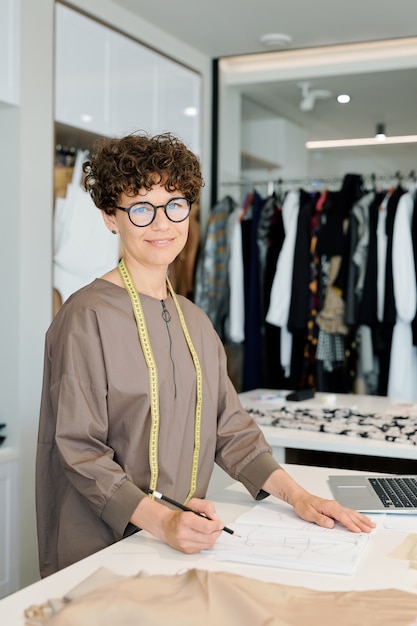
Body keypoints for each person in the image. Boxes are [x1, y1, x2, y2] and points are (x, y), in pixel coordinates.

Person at [36, 132, 375, 578]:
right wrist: (165, 523)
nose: (162, 224)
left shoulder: (194, 319)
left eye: (175, 204)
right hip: (101, 548)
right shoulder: (85, 316)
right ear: (109, 217)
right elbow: (79, 450)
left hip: (178, 539)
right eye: (141, 208)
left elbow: (231, 429)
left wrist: (301, 497)